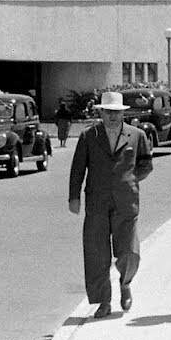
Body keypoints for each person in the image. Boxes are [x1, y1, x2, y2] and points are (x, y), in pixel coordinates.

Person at [68, 90, 153, 318]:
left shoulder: (136, 135)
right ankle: (103, 301)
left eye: (116, 112)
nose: (112, 117)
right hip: (97, 201)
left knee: (128, 250)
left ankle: (125, 282)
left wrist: (131, 181)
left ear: (122, 114)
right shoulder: (89, 136)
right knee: (96, 253)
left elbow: (146, 165)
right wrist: (74, 197)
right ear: (101, 113)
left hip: (126, 201)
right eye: (108, 112)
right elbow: (78, 168)